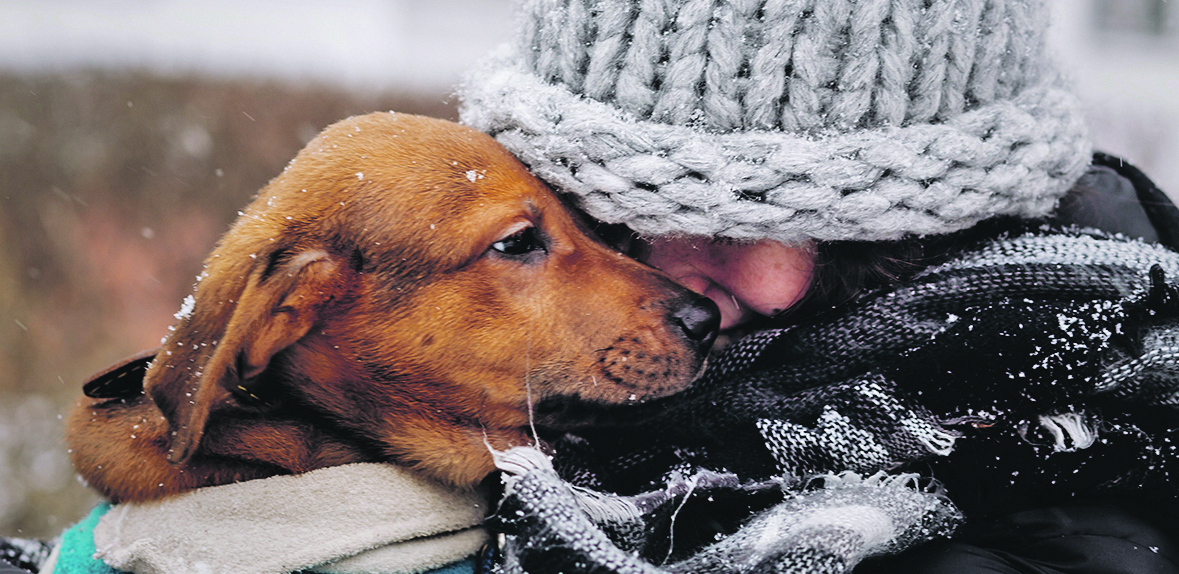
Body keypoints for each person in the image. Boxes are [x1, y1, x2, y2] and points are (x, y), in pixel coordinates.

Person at [458, 0, 1179, 572]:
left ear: (884, 237)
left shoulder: (1062, 474)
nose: (661, 279)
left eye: (727, 226)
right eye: (596, 217)